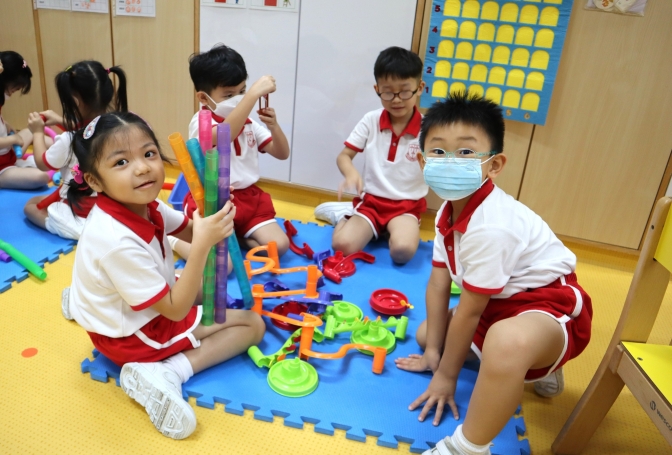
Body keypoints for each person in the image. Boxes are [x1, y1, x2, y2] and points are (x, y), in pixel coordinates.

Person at [394, 92, 592, 455]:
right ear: (422, 161)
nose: (450, 161)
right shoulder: (447, 212)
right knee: (427, 336)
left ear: (494, 164)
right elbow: (438, 283)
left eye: (465, 152)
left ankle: (467, 448)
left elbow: (470, 312)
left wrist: (446, 376)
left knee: (504, 342)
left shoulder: (492, 226)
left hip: (549, 308)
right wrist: (433, 353)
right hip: (496, 305)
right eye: (438, 151)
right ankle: (526, 360)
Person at [66, 112, 265, 439]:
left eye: (149, 154)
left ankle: (83, 299)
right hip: (132, 337)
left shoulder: (146, 205)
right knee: (252, 325)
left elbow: (188, 230)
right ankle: (167, 372)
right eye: (121, 162)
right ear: (95, 181)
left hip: (124, 314)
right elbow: (174, 309)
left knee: (208, 286)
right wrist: (203, 243)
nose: (142, 168)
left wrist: (213, 214)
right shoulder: (116, 241)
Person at [314, 46, 428, 264]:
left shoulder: (429, 129)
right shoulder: (371, 120)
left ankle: (386, 229)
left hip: (406, 207)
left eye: (405, 91)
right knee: (342, 247)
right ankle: (344, 215)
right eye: (388, 92)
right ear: (377, 89)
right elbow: (344, 156)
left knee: (402, 252)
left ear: (419, 87)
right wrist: (351, 174)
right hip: (372, 203)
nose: (396, 99)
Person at [178, 44, 290, 259]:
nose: (239, 99)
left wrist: (274, 126)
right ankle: (175, 239)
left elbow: (282, 153)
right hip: (214, 201)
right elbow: (224, 135)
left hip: (248, 199)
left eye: (242, 91)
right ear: (204, 98)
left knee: (280, 247)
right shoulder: (201, 122)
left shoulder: (249, 123)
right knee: (218, 259)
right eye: (229, 95)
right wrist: (252, 95)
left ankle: (238, 239)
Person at [24, 60, 128, 240]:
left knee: (30, 207)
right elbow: (89, 129)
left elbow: (42, 163)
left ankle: (76, 230)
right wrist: (60, 120)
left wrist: (38, 133)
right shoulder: (121, 126)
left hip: (83, 209)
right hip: (117, 202)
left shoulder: (68, 140)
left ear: (74, 101)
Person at [0, 50, 50, 189]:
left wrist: (6, 125)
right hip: (2, 168)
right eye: (14, 89)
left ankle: (62, 148)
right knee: (41, 177)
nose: (13, 92)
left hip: (9, 154)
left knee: (32, 130)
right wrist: (13, 139)